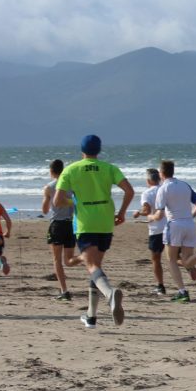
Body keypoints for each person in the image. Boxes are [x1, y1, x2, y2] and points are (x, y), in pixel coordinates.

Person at [53, 134, 134, 328]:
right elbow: (129, 191)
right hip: (106, 221)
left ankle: (110, 294)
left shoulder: (71, 170)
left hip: (86, 222)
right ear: (99, 150)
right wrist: (122, 212)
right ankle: (91, 316)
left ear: (82, 150)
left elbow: (57, 201)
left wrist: (73, 201)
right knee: (95, 266)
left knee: (92, 267)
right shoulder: (109, 168)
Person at [149, 160, 196, 304]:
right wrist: (190, 216)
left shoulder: (163, 188)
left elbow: (159, 215)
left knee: (171, 260)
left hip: (174, 225)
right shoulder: (184, 185)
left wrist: (150, 217)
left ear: (161, 173)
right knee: (186, 261)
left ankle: (182, 291)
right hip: (189, 224)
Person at [42, 159, 77, 300]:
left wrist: (47, 199)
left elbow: (44, 210)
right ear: (63, 170)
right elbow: (76, 205)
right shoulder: (71, 186)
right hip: (71, 224)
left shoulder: (49, 187)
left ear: (51, 172)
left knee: (57, 260)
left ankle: (64, 290)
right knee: (69, 260)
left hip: (57, 224)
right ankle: (85, 258)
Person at [132, 168, 167, 295]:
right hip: (169, 227)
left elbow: (147, 210)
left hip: (156, 229)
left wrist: (138, 213)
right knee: (175, 257)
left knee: (156, 259)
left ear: (148, 180)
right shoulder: (165, 189)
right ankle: (189, 264)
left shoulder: (147, 193)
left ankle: (160, 285)